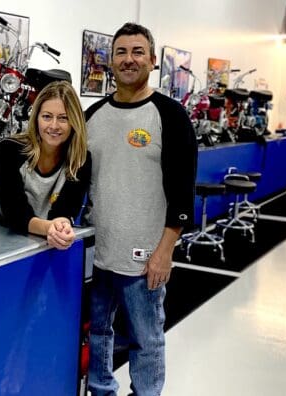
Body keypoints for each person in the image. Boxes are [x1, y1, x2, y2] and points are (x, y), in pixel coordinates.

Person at [85, 22, 197, 395]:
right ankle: (101, 390)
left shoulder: (170, 115)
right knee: (99, 333)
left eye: (137, 52)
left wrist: (164, 251)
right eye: (121, 52)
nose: (128, 59)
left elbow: (183, 194)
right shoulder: (94, 115)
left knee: (146, 339)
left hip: (145, 256)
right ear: (110, 60)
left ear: (151, 60)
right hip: (100, 254)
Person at [0, 81, 91, 249]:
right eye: (47, 116)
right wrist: (50, 228)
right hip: (1, 236)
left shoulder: (80, 159)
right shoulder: (9, 151)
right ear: (36, 119)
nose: (54, 126)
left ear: (74, 122)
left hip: (46, 240)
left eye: (63, 118)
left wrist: (60, 227)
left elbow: (66, 210)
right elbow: (15, 214)